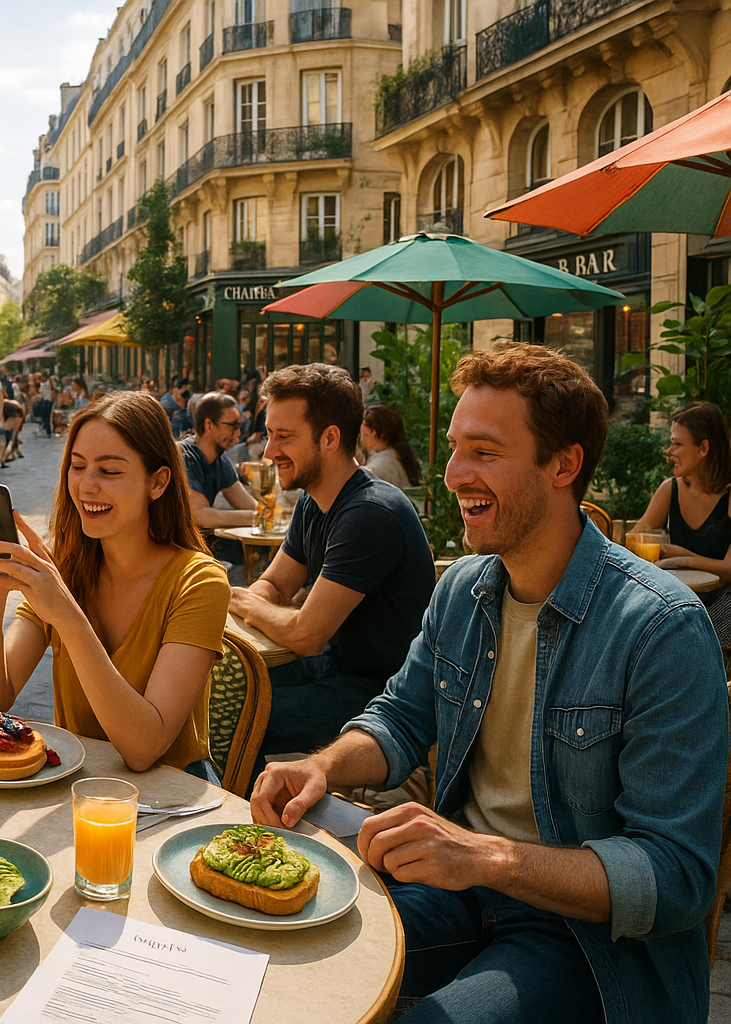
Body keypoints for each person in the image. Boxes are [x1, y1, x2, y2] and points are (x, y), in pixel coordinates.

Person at [253, 343, 728, 1024]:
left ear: (564, 464)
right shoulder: (466, 589)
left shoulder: (661, 629)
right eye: (453, 448)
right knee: (281, 964)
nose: (453, 474)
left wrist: (489, 856)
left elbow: (676, 878)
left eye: (484, 451)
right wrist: (322, 768)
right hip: (463, 890)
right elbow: (402, 717)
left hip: (588, 943)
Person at [0, 390, 229, 775]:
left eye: (109, 471)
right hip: (78, 792)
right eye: (77, 466)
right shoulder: (67, 568)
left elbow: (144, 748)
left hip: (171, 802)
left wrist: (69, 618)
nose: (86, 486)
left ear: (157, 482)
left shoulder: (200, 581)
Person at [227, 363, 433, 760]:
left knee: (232, 717)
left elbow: (306, 636)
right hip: (332, 668)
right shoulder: (313, 500)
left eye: (283, 437)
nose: (269, 452)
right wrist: (255, 602)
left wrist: (244, 601)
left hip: (385, 694)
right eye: (269, 435)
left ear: (330, 438)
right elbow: (274, 585)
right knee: (213, 686)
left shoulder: (371, 513)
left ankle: (251, 819)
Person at [634, 402, 731, 648]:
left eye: (677, 444)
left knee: (699, 639)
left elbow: (729, 570)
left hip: (723, 601)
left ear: (704, 448)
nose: (669, 451)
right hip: (676, 598)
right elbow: (638, 536)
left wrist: (680, 557)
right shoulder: (670, 490)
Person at [180, 392, 256, 530]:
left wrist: (283, 513)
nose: (238, 433)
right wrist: (260, 517)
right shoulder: (184, 457)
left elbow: (248, 504)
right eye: (232, 425)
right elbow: (201, 516)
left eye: (239, 426)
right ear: (209, 425)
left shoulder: (220, 460)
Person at [360, 404, 423, 492]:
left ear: (375, 433)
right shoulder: (395, 456)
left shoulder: (383, 465)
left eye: (364, 434)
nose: (362, 438)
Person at [0, 396, 25, 471]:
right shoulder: (3, 417)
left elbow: (14, 433)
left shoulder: (14, 416)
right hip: (4, 417)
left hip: (5, 416)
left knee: (0, 444)